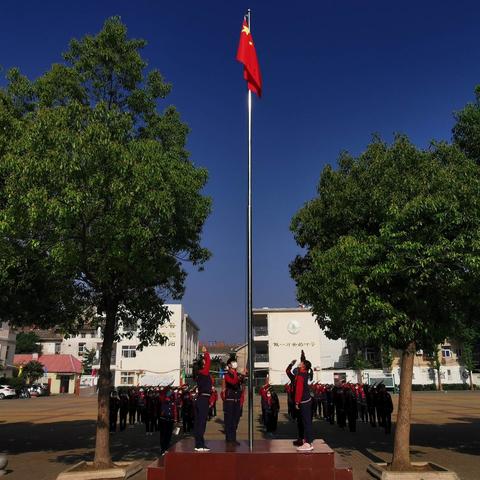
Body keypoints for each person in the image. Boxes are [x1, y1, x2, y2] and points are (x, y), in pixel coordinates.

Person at [294, 352, 314, 451]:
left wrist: (297, 402)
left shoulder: (301, 375)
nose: (299, 363)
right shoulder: (304, 372)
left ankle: (308, 443)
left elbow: (299, 389)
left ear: (303, 366)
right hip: (306, 400)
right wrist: (302, 356)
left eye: (301, 363)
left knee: (307, 423)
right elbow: (304, 363)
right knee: (306, 422)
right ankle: (307, 441)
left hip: (304, 401)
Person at [194, 345, 211, 452]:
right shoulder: (203, 373)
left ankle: (199, 443)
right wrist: (206, 353)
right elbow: (208, 363)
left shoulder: (200, 374)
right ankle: (199, 444)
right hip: (203, 399)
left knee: (199, 421)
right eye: (203, 362)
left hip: (201, 398)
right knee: (202, 422)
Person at [223, 356, 244, 445]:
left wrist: (243, 375)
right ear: (229, 365)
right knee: (229, 421)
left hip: (237, 400)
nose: (235, 363)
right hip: (230, 400)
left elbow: (240, 382)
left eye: (235, 362)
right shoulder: (227, 375)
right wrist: (237, 374)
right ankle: (229, 439)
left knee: (235, 420)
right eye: (233, 362)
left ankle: (233, 439)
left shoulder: (236, 374)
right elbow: (233, 382)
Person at [286, 358, 304, 445]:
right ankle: (301, 438)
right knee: (299, 422)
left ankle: (303, 439)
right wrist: (291, 364)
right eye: (295, 372)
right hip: (295, 402)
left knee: (302, 421)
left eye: (297, 372)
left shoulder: (302, 377)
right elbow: (287, 371)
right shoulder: (293, 379)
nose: (295, 374)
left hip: (302, 402)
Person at [159, 387, 176, 454]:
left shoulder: (172, 400)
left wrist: (175, 419)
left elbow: (174, 410)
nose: (170, 392)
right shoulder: (163, 399)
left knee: (169, 434)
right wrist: (166, 387)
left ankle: (167, 447)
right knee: (163, 435)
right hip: (164, 419)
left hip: (170, 419)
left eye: (171, 391)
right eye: (169, 391)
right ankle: (163, 448)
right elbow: (162, 394)